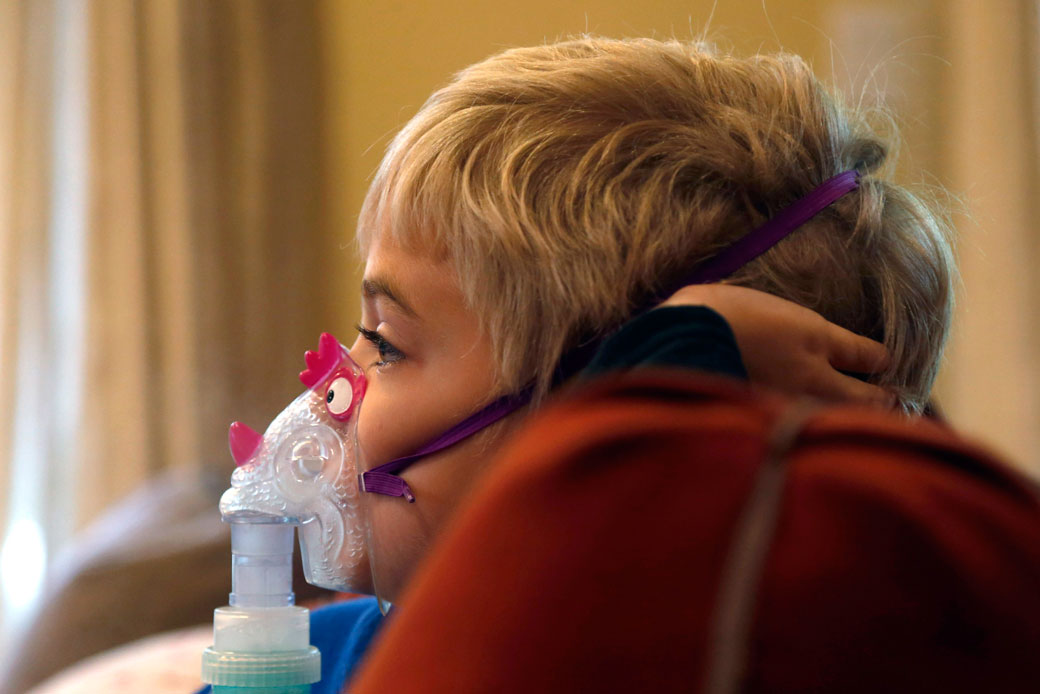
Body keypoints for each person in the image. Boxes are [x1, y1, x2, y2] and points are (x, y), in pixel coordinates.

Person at [199, 36, 958, 693]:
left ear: (585, 418)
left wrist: (670, 374)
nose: (335, 390)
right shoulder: (329, 661)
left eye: (388, 343)